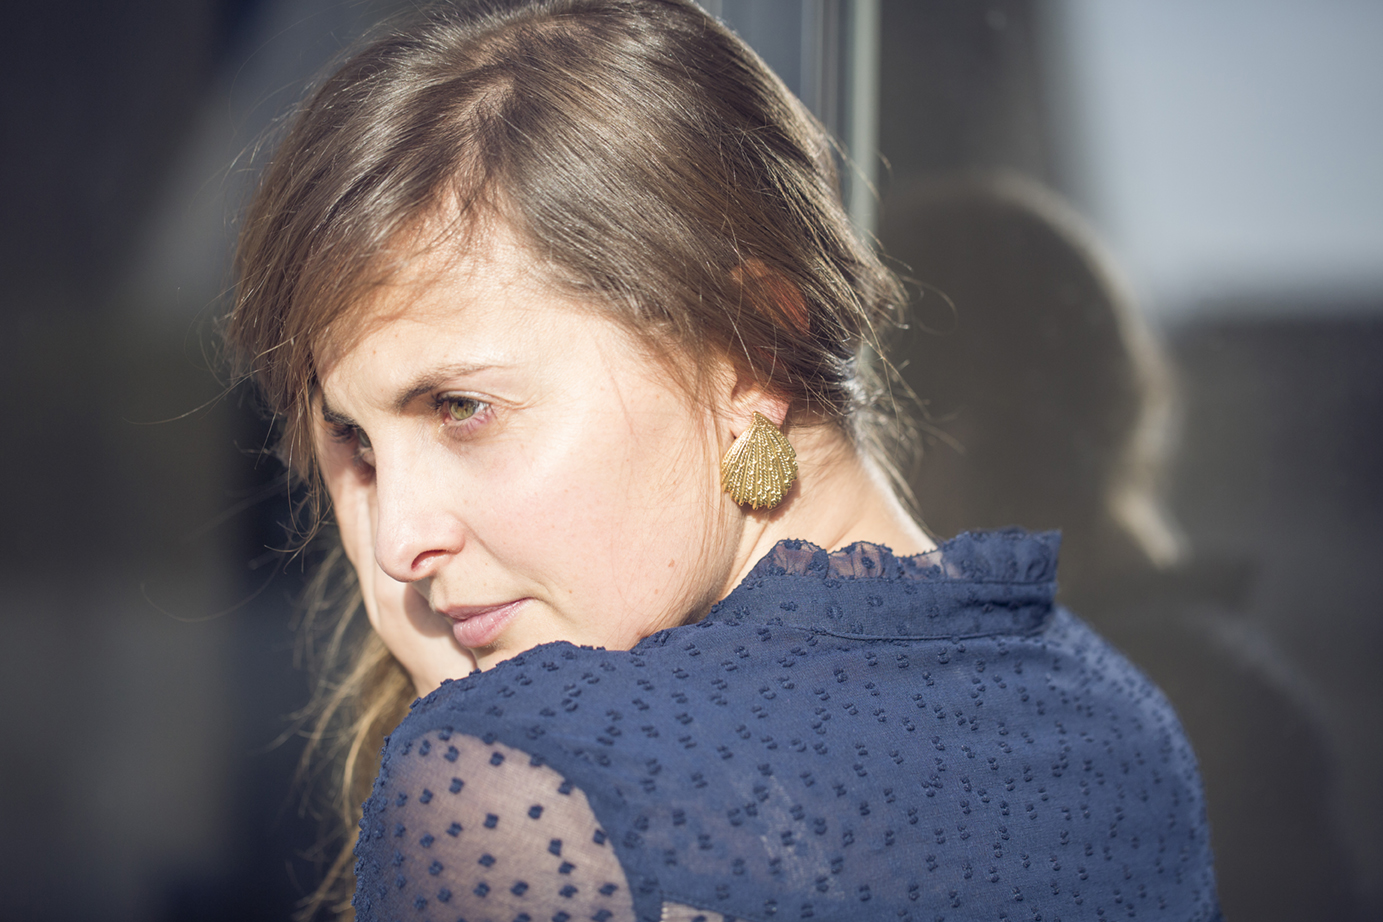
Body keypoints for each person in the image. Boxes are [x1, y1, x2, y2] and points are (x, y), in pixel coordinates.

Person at [226, 2, 1221, 920]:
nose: (396, 541)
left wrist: (479, 745)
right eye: (356, 445)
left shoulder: (522, 786)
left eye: (461, 409)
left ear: (751, 350)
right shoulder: (1118, 722)